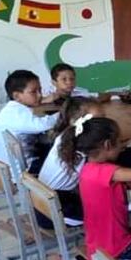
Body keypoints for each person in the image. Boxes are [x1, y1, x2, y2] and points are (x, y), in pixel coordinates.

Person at [59, 116, 131, 260]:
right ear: (107, 145)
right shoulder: (108, 171)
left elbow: (113, 150)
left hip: (100, 241)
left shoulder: (89, 167)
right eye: (119, 141)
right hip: (117, 248)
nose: (121, 145)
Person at [36, 96, 103, 229]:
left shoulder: (66, 137)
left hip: (43, 203)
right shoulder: (80, 145)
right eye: (98, 120)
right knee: (112, 207)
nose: (104, 123)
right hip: (56, 212)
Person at [0, 69, 59, 174]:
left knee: (48, 145)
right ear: (17, 96)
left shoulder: (12, 109)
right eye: (33, 92)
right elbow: (44, 124)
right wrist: (67, 112)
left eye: (40, 90)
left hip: (5, 165)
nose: (40, 95)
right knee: (63, 158)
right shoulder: (16, 113)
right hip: (18, 171)